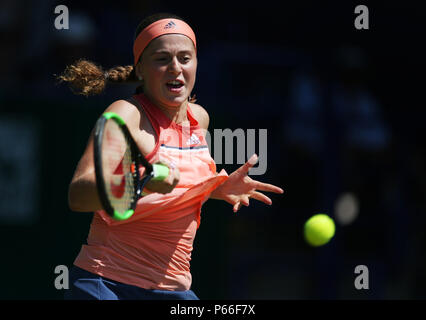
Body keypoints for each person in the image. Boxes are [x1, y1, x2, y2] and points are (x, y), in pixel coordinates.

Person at [59, 12, 284, 300]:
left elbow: (177, 186)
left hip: (172, 290)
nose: (175, 68)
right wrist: (141, 179)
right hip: (107, 284)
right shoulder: (125, 114)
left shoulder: (198, 118)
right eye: (162, 59)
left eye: (185, 58)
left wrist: (217, 187)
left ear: (196, 64)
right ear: (140, 69)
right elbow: (78, 195)